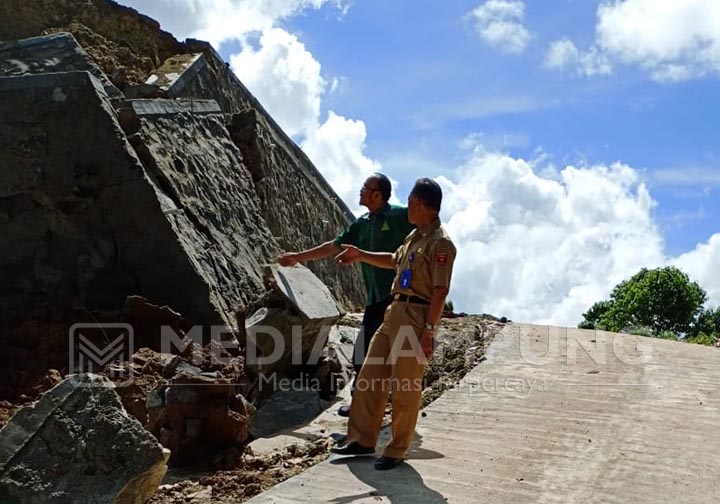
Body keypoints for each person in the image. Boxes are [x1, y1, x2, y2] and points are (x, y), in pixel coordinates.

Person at [330, 177, 456, 471]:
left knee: (405, 387)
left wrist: (429, 332)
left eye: (411, 204)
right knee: (370, 374)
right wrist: (361, 254)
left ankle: (397, 449)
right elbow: (393, 260)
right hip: (394, 310)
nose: (408, 209)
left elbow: (440, 291)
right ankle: (361, 439)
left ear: (421, 205)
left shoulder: (441, 243)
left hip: (416, 317)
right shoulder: (414, 237)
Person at [278, 173, 414, 416]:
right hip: (375, 299)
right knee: (363, 354)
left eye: (365, 188)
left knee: (388, 355)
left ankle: (381, 404)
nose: (360, 191)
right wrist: (297, 257)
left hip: (398, 297)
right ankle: (364, 404)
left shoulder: (400, 216)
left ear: (377, 194)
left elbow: (425, 233)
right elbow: (332, 246)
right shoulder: (362, 223)